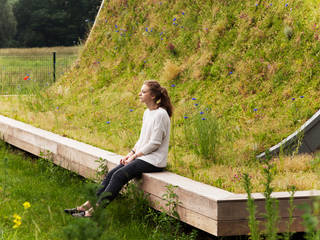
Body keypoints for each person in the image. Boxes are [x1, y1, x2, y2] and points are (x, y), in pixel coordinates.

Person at [64, 80, 173, 217]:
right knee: (111, 173)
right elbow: (142, 140)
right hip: (143, 157)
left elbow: (155, 143)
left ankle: (93, 212)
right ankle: (84, 207)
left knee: (119, 175)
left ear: (153, 96)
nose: (139, 94)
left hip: (154, 160)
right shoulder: (147, 113)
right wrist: (130, 154)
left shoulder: (161, 114)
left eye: (143, 92)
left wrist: (134, 156)